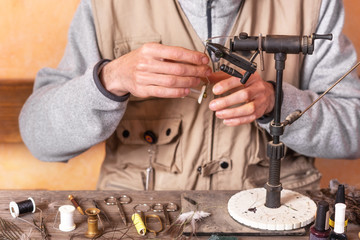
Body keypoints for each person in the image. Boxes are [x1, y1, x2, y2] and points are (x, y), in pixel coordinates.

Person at [19, 0, 360, 191]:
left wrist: (276, 103)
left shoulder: (314, 5)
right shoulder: (106, 7)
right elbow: (39, 137)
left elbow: (354, 129)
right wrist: (110, 79)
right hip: (141, 220)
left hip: (275, 218)